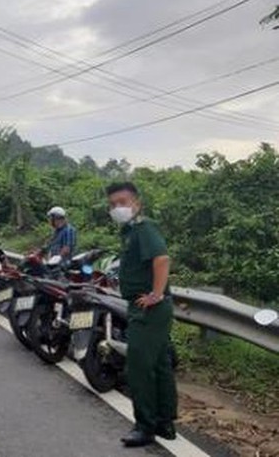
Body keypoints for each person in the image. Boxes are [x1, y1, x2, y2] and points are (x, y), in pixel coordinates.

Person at [106, 182, 177, 448]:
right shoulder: (130, 231)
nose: (117, 208)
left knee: (138, 368)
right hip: (149, 307)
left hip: (149, 308)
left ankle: (145, 426)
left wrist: (156, 294)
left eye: (122, 202)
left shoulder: (143, 228)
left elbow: (162, 260)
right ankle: (164, 422)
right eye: (113, 205)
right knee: (159, 365)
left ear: (137, 203)